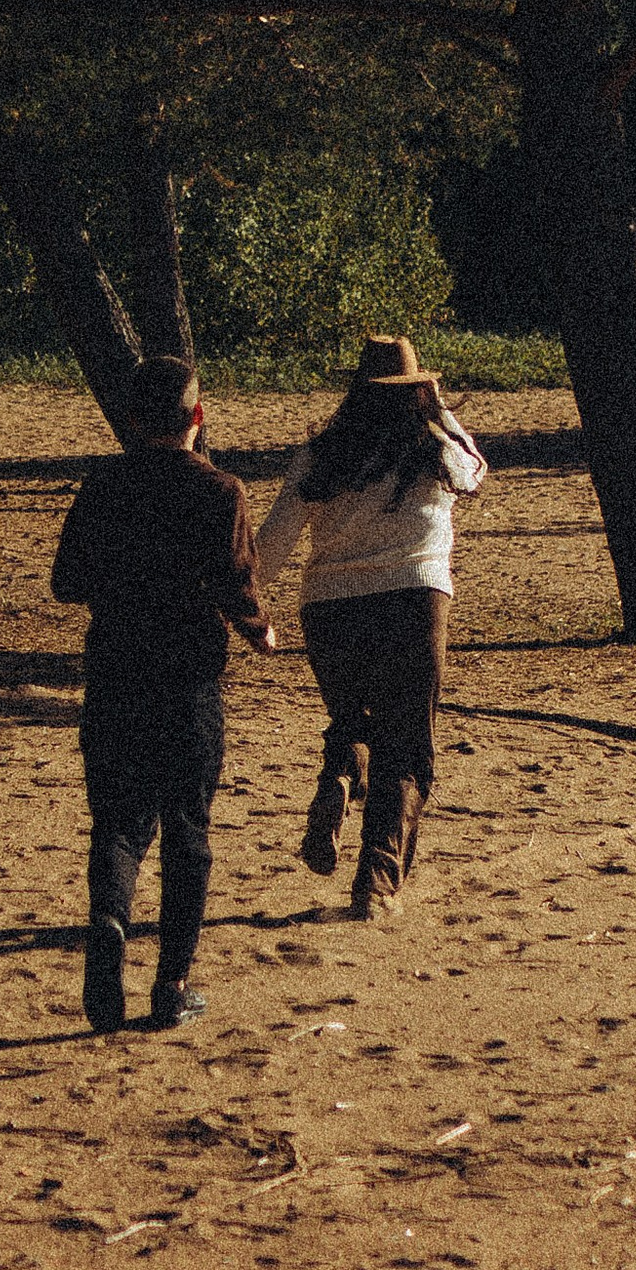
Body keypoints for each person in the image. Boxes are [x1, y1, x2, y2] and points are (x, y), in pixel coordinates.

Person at [50, 352, 276, 1035]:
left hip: (116, 670)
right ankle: (172, 983)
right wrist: (258, 630)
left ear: (130, 419)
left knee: (118, 824)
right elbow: (236, 586)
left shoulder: (103, 486)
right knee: (188, 827)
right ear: (196, 418)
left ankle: (111, 921)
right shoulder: (220, 491)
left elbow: (68, 582)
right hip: (188, 680)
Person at [255, 333, 487, 922]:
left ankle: (338, 774)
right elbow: (476, 468)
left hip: (330, 607)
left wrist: (244, 604)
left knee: (352, 718)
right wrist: (438, 407)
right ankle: (376, 882)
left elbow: (273, 545)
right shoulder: (436, 448)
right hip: (414, 597)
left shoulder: (322, 455)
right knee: (405, 744)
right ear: (417, 389)